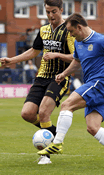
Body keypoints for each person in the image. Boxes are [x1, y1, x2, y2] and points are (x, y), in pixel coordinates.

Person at [37, 13, 104, 167]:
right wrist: (64, 74)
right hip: (97, 89)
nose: (70, 35)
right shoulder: (78, 43)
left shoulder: (101, 40)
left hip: (99, 84)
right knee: (92, 128)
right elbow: (77, 61)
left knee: (66, 105)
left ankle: (57, 143)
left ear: (79, 27)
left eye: (71, 31)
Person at [0, 0, 75, 164]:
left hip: (59, 77)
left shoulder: (69, 31)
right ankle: (55, 134)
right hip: (41, 77)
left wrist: (57, 55)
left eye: (54, 11)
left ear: (61, 10)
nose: (50, 15)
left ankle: (45, 155)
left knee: (43, 112)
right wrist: (11, 60)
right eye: (48, 12)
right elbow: (34, 51)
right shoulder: (43, 30)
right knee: (27, 114)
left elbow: (76, 57)